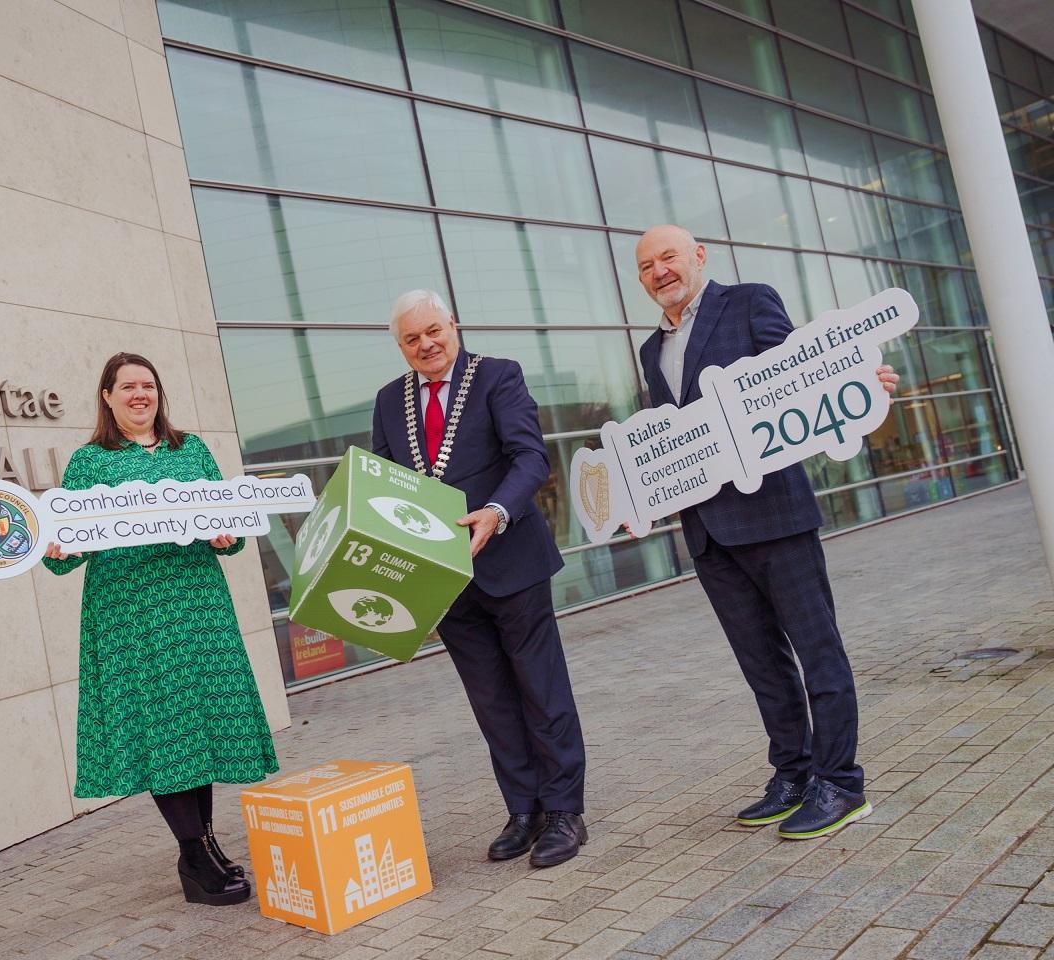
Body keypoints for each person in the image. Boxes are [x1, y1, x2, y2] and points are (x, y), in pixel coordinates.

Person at [630, 225, 899, 840]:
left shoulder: (749, 301)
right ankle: (794, 774)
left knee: (818, 652)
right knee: (763, 665)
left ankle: (841, 783)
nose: (659, 271)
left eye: (668, 256)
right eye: (646, 266)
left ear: (698, 256)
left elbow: (801, 372)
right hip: (708, 533)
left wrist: (857, 383)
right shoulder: (652, 350)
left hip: (775, 515)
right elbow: (670, 437)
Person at [42, 351, 278, 904]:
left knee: (195, 729)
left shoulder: (190, 449)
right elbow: (62, 556)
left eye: (148, 386)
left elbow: (231, 530)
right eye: (127, 387)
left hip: (196, 607)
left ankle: (208, 845)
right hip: (133, 617)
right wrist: (57, 546)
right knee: (164, 731)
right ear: (107, 396)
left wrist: (227, 536)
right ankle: (194, 859)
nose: (139, 395)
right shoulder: (89, 463)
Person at [371, 290, 589, 868]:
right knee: (491, 701)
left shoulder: (497, 376)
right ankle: (525, 810)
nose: (426, 344)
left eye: (434, 331)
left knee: (542, 691)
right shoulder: (389, 401)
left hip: (511, 562)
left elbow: (530, 458)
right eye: (412, 339)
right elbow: (384, 486)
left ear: (453, 326)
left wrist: (497, 510)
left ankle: (565, 812)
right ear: (401, 346)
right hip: (444, 578)